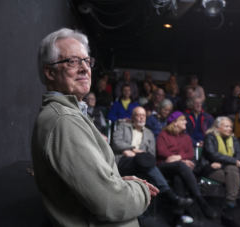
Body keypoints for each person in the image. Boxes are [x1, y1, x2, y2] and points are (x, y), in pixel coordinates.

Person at [32, 28, 158, 227]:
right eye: (72, 61)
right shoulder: (64, 121)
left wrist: (117, 182)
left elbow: (87, 183)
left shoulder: (71, 114)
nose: (84, 68)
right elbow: (110, 202)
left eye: (86, 61)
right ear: (50, 72)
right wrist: (139, 189)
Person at [112, 107, 193, 208]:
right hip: (124, 160)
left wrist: (137, 153)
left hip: (142, 162)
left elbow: (151, 154)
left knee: (144, 160)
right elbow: (115, 142)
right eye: (138, 115)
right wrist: (132, 149)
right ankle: (171, 195)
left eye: (143, 115)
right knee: (144, 160)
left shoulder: (149, 133)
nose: (141, 118)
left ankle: (171, 197)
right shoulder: (123, 127)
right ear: (133, 117)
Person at [157, 111, 218, 219]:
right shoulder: (163, 135)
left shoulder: (186, 137)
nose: (186, 122)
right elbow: (161, 151)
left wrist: (179, 158)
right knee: (181, 167)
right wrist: (180, 159)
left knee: (179, 177)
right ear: (175, 122)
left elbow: (190, 153)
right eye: (183, 120)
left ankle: (179, 213)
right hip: (164, 166)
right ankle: (200, 200)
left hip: (180, 167)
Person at [200, 117, 240, 208]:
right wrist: (233, 161)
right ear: (217, 127)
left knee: (232, 170)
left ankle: (230, 200)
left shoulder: (233, 139)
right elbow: (213, 155)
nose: (229, 129)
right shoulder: (210, 137)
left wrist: (224, 164)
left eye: (230, 127)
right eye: (226, 126)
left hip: (225, 167)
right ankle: (231, 201)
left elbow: (239, 156)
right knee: (233, 177)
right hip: (210, 168)